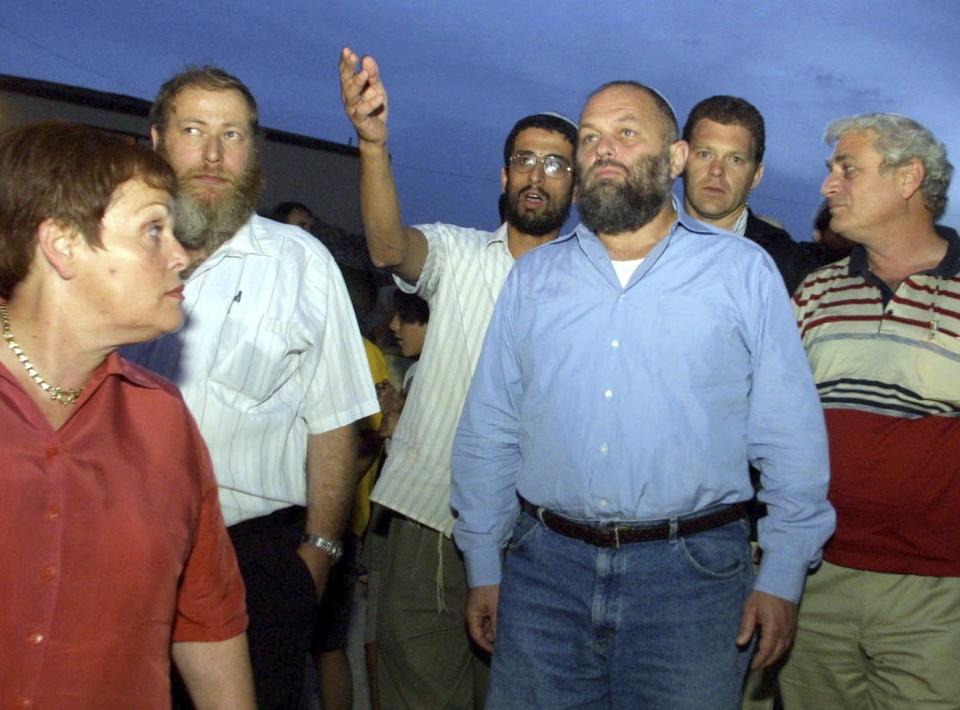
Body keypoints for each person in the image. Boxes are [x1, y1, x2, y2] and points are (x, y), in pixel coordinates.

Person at [451, 81, 835, 709]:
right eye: (592, 137)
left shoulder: (741, 273)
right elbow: (491, 427)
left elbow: (788, 436)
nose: (604, 149)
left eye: (627, 133)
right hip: (542, 574)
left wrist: (785, 572)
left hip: (693, 583)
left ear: (676, 158)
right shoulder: (535, 278)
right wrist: (484, 563)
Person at [125, 66, 378, 710]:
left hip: (253, 561)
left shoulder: (301, 264)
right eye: (194, 130)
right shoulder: (114, 253)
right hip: (117, 553)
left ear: (253, 153)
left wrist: (317, 554)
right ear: (157, 141)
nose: (213, 154)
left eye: (232, 135)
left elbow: (336, 419)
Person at [339, 47, 577, 709]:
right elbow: (389, 247)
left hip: (539, 540)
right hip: (427, 523)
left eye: (556, 163)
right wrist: (372, 144)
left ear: (577, 187)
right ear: (503, 175)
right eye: (525, 159)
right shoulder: (461, 254)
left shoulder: (597, 286)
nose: (538, 174)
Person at [0, 121, 253, 708]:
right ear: (62, 243)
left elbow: (208, 619)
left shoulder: (161, 422)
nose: (181, 256)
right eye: (153, 230)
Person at [781, 113, 960, 707]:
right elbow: (779, 427)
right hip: (815, 580)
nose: (829, 185)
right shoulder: (816, 292)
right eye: (832, 170)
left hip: (937, 593)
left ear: (909, 178)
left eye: (847, 169)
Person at [681, 95, 807, 293]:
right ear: (681, 160)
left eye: (735, 159)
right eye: (705, 154)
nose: (716, 170)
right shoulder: (640, 248)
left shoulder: (790, 268)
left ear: (756, 175)